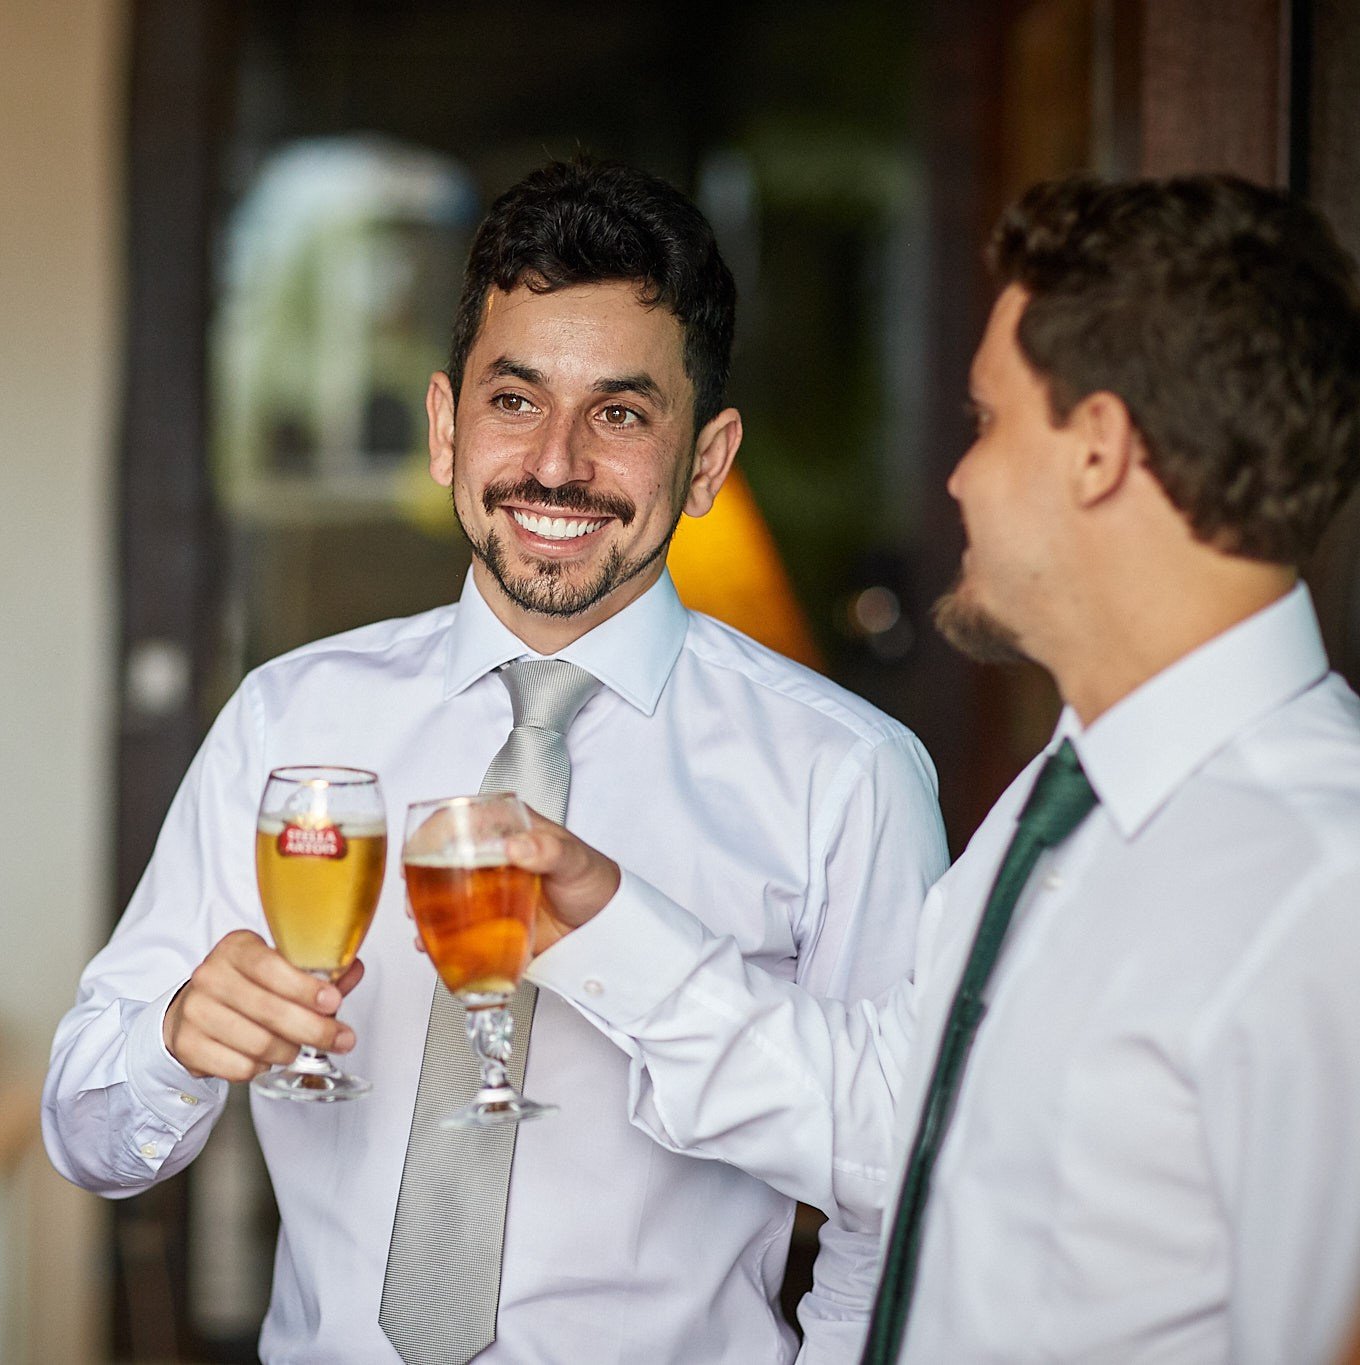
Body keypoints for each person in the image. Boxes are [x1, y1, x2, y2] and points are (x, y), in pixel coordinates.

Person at [43, 158, 950, 1363]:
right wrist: (170, 1041)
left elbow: (891, 1210)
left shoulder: (847, 775)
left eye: (620, 414)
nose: (557, 463)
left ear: (707, 460)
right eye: (514, 401)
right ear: (443, 425)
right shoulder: (287, 722)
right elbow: (89, 1140)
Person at [510, 174, 1360, 1364]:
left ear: (1097, 453)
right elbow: (890, 1123)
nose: (956, 479)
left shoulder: (1322, 889)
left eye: (987, 422)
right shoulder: (1058, 807)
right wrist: (607, 926)